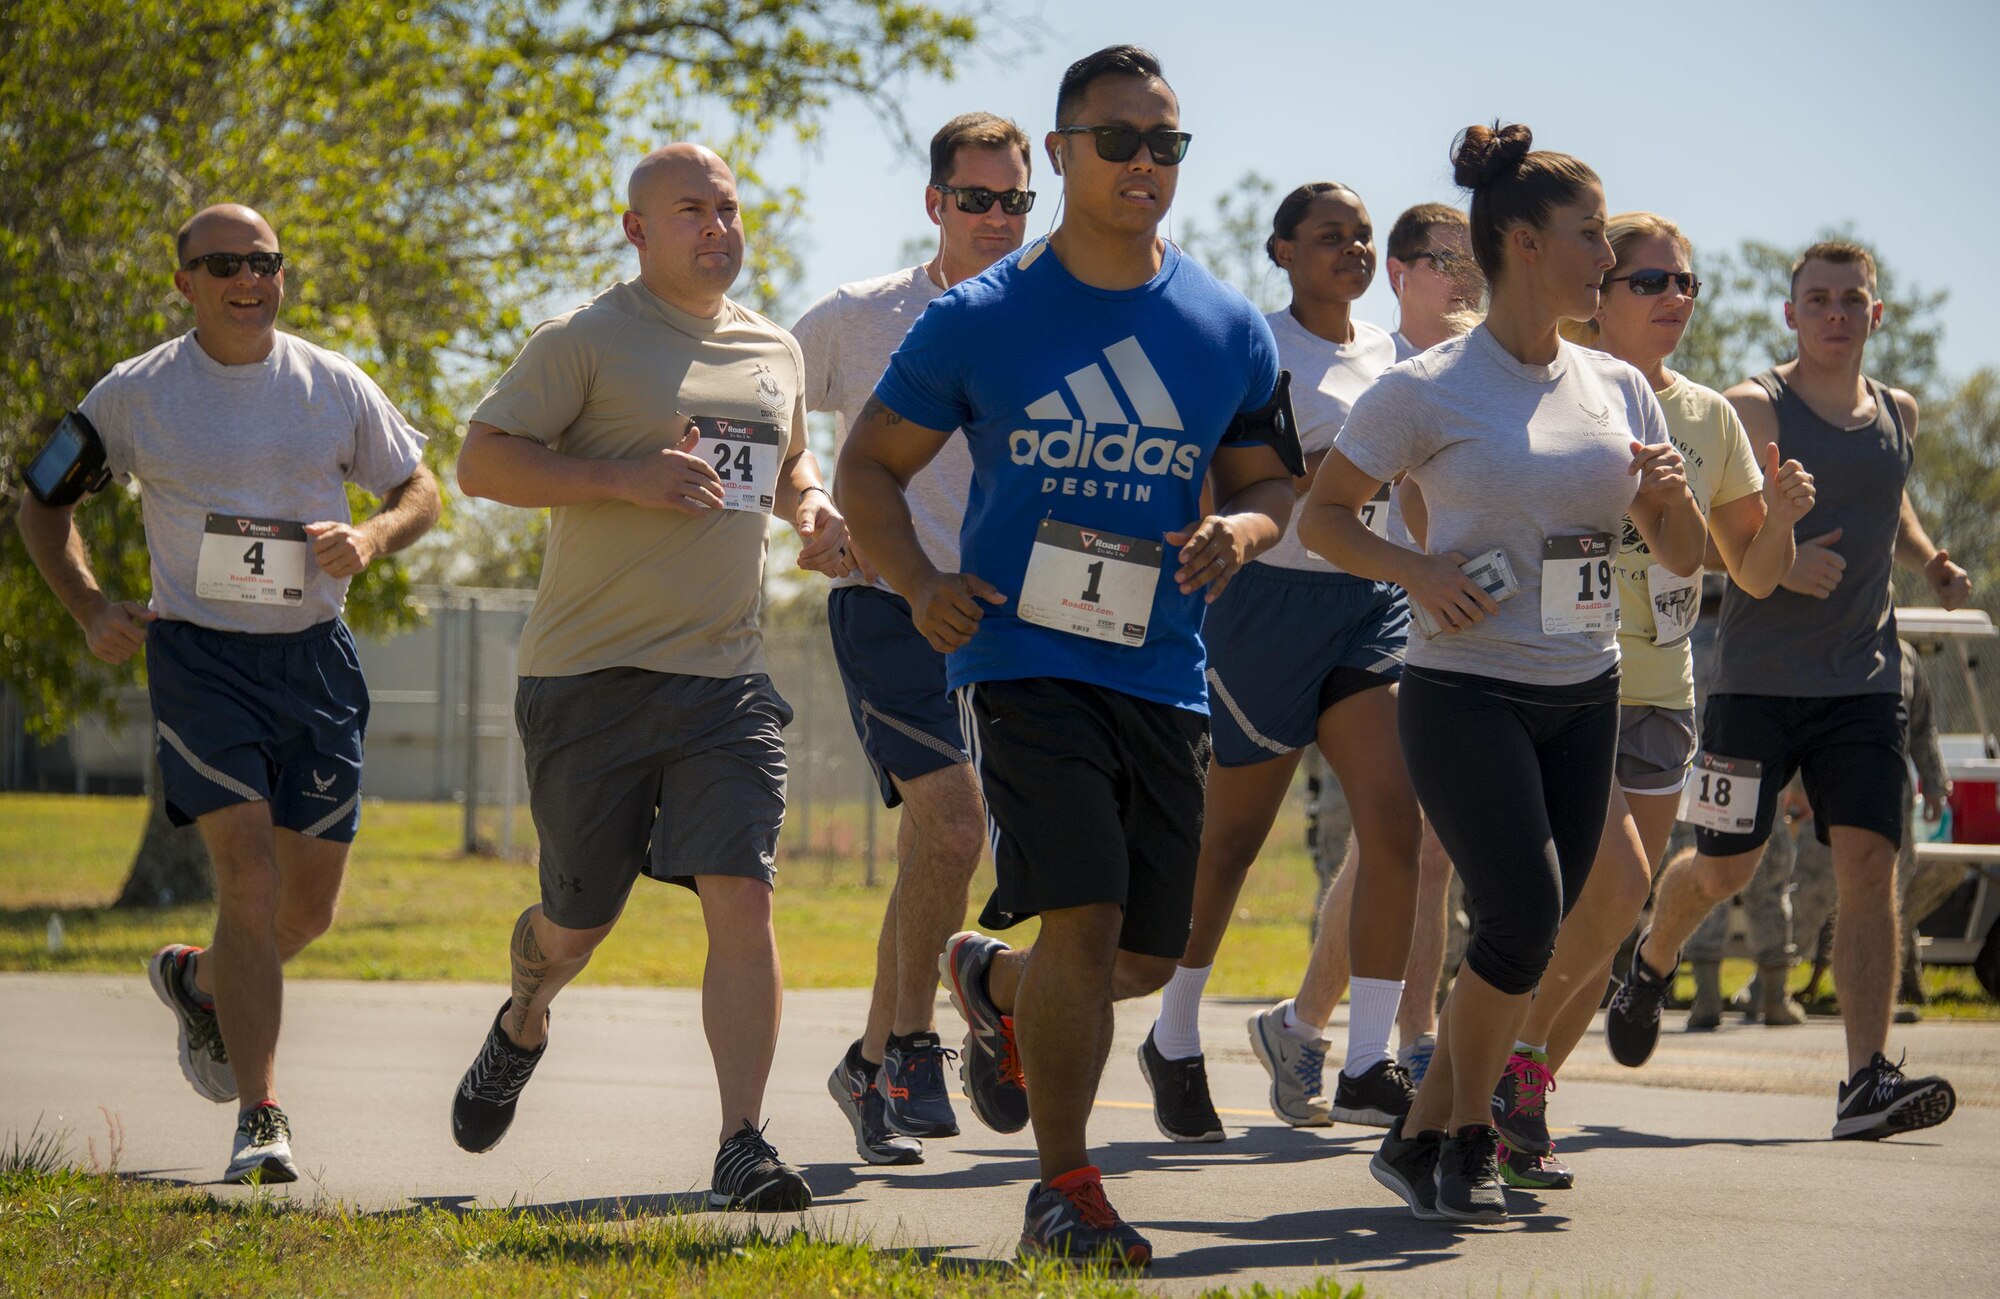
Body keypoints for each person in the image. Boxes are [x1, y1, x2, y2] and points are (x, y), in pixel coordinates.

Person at [838, 45, 1294, 1267]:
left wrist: (1238, 530)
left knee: (1138, 958)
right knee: (1087, 920)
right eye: (1118, 140)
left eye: (1166, 143)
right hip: (1017, 656)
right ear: (1059, 151)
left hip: (1161, 664)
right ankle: (1064, 1192)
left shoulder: (1222, 324)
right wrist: (920, 583)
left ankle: (991, 989)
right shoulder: (979, 319)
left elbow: (1270, 483)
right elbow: (865, 470)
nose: (1144, 163)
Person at [1300, 121, 1704, 1222]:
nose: (1605, 262)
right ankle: (1467, 1128)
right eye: (1587, 237)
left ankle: (1424, 1132)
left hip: (1586, 688)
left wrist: (1667, 494)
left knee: (1544, 924)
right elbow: (1323, 517)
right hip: (1462, 687)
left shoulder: (1618, 388)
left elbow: (1679, 555)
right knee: (1521, 915)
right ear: (1522, 244)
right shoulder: (1427, 387)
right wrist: (1417, 573)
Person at [447, 144, 851, 1211]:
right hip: (587, 677)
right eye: (691, 211)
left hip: (722, 678)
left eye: (728, 209)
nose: (718, 227)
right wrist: (618, 478)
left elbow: (788, 462)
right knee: (575, 924)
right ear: (637, 229)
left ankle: (740, 1141)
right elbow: (480, 461)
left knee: (744, 896)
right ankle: (523, 1019)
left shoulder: (773, 348)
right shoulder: (583, 340)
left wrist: (810, 509)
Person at [17, 204, 440, 1184]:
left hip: (315, 661)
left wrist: (373, 538)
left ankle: (200, 982)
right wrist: (87, 607)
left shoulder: (332, 382)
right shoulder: (137, 395)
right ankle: (262, 1116)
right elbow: (41, 501)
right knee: (245, 880)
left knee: (305, 910)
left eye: (264, 263)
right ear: (185, 284)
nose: (247, 280)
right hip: (201, 659)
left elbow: (419, 490)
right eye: (222, 265)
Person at [1477, 212, 1816, 1190]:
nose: (1673, 300)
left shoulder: (1709, 418)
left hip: (1661, 690)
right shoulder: (1552, 397)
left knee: (1611, 917)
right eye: (1650, 283)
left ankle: (1521, 1089)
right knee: (1614, 888)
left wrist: (1782, 522)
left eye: (1685, 285)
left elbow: (1750, 574)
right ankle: (1491, 1067)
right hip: (1559, 679)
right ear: (1597, 293)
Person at [1604, 239, 1971, 1141]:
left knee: (1870, 865)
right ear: (1791, 314)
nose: (1837, 313)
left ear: (1875, 315)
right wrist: (1779, 551)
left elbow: (1891, 494)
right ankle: (1651, 962)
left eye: (1853, 299)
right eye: (1819, 299)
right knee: (1728, 866)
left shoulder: (1899, 413)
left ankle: (1865, 1079)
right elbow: (1718, 525)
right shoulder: (1752, 405)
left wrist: (1927, 559)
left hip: (1864, 680)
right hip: (1757, 683)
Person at [1139, 181, 1424, 1144]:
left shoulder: (1396, 354)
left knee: (1396, 817)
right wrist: (1306, 473)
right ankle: (1174, 1033)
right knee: (1229, 845)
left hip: (1368, 602)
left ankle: (1367, 1060)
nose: (1350, 249)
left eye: (1362, 237)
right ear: (1283, 251)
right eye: (1329, 237)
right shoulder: (1254, 346)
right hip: (1266, 604)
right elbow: (1228, 473)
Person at [792, 111, 1033, 1166]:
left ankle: (875, 1057)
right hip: (890, 602)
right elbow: (767, 422)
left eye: (1014, 200)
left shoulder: (1058, 320)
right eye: (974, 198)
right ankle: (917, 1047)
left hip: (1020, 621)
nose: (994, 217)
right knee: (950, 822)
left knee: (946, 845)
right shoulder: (858, 317)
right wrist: (807, 508)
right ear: (934, 203)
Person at [1293, 202, 1490, 1093]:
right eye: (1443, 260)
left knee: (1422, 844)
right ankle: (1319, 1026)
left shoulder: (1486, 371)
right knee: (1394, 838)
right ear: (1401, 272)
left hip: (1449, 623)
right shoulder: (1372, 364)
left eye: (1471, 262)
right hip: (1347, 615)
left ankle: (1387, 1032)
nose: (1462, 278)